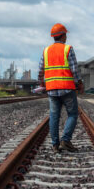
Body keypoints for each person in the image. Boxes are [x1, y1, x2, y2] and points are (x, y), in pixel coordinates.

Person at [38, 23, 84, 153]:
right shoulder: (68, 49)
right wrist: (79, 83)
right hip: (67, 88)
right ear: (63, 36)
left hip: (52, 89)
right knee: (73, 114)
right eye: (65, 35)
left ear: (53, 37)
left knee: (54, 116)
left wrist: (42, 83)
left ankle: (55, 144)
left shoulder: (46, 51)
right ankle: (65, 140)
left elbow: (41, 69)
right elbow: (74, 70)